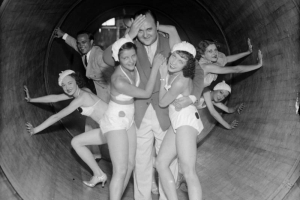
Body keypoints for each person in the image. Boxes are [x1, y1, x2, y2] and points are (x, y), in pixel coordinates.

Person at [103, 9, 204, 200]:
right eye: (140, 31)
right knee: (141, 161)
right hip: (140, 111)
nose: (145, 34)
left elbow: (197, 71)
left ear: (158, 27)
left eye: (149, 29)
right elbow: (107, 58)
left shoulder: (172, 45)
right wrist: (129, 34)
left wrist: (193, 97)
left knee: (168, 162)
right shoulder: (130, 45)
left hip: (166, 111)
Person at [100, 36, 164, 200]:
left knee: (130, 165)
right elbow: (146, 93)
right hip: (116, 121)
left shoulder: (132, 68)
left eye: (132, 56)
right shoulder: (118, 79)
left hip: (128, 118)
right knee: (120, 170)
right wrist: (156, 66)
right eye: (125, 58)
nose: (130, 61)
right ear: (117, 59)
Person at [24, 70, 108, 187]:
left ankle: (99, 174)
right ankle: (99, 175)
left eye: (69, 83)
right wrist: (31, 99)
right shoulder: (82, 91)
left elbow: (57, 116)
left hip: (114, 127)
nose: (67, 87)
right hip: (109, 127)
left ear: (76, 81)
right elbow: (55, 98)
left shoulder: (81, 98)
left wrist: (35, 130)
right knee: (76, 142)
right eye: (63, 85)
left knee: (76, 142)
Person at [54, 28, 112, 159]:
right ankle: (95, 154)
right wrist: (63, 35)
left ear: (92, 42)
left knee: (104, 124)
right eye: (80, 43)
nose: (81, 45)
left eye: (84, 42)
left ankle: (103, 152)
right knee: (90, 123)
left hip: (108, 94)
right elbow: (75, 43)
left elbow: (112, 76)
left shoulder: (98, 56)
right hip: (99, 90)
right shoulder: (84, 49)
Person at [155, 42, 203, 200]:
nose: (174, 62)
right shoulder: (174, 73)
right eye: (174, 57)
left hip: (186, 121)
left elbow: (162, 102)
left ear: (187, 65)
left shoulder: (181, 80)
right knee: (161, 164)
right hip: (177, 122)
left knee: (189, 171)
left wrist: (162, 77)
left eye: (180, 61)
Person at [197, 38, 263, 88]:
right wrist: (258, 65)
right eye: (210, 51)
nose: (214, 53)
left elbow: (227, 59)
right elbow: (236, 69)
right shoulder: (206, 66)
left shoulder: (208, 59)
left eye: (215, 49)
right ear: (202, 54)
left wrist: (248, 52)